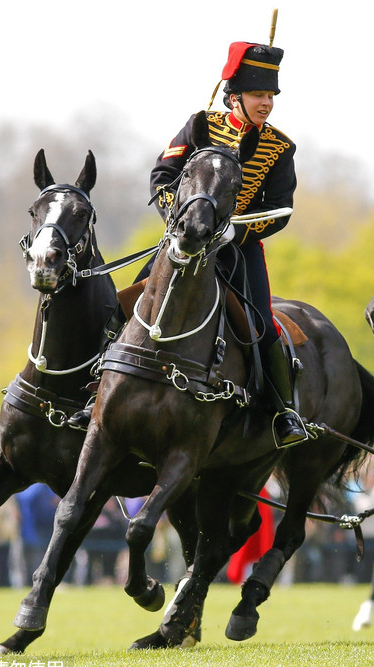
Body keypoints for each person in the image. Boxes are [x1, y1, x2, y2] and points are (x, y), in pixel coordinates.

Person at [68, 40, 307, 448]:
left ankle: (284, 411)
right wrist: (180, 224)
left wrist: (238, 231)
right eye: (258, 95)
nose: (266, 103)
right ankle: (93, 396)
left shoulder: (280, 147)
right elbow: (162, 176)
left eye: (270, 96)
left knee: (263, 324)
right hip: (183, 240)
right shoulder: (200, 124)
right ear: (235, 96)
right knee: (126, 307)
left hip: (237, 246)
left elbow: (280, 210)